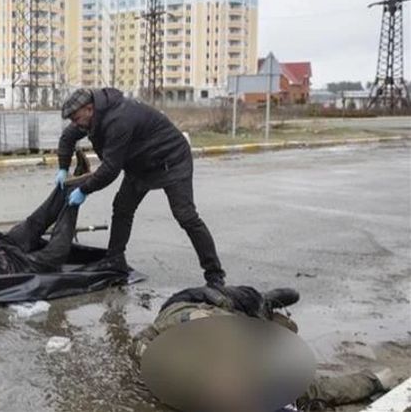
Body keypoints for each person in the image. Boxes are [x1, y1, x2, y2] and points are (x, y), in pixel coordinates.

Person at [55, 87, 226, 286]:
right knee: (122, 209)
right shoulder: (91, 118)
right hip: (141, 165)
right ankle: (114, 259)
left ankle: (214, 274)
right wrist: (62, 168)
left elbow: (110, 169)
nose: (75, 124)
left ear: (90, 109)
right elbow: (67, 138)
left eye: (76, 118)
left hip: (171, 160)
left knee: (186, 216)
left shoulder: (118, 119)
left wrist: (84, 190)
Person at [133, 285, 399, 411]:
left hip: (192, 306)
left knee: (238, 304)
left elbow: (143, 343)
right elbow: (317, 388)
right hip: (204, 318)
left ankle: (261, 304)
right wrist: (374, 381)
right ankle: (261, 308)